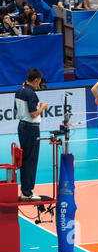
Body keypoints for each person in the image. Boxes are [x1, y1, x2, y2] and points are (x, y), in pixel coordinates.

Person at [14, 68, 48, 201]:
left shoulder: (19, 91)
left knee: (25, 159)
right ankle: (27, 192)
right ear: (36, 80)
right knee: (31, 160)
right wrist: (42, 107)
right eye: (39, 82)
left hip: (21, 127)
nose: (39, 84)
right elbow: (34, 113)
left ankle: (25, 190)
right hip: (31, 129)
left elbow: (16, 110)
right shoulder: (31, 94)